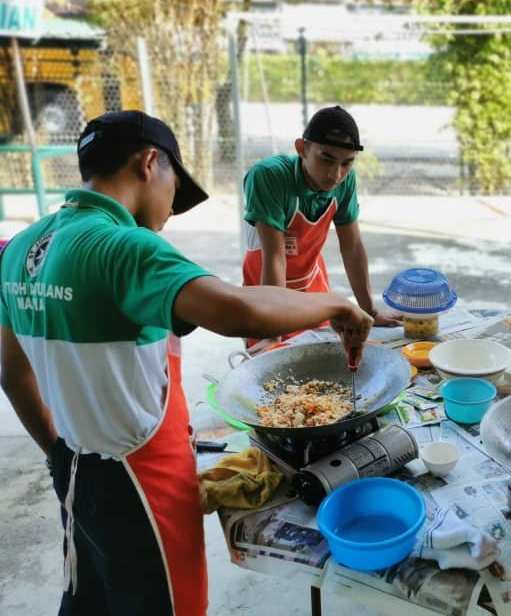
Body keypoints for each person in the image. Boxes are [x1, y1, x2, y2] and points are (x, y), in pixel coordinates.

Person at [0, 111, 373, 616]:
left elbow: (13, 371)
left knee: (92, 601)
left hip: (75, 469)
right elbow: (240, 309)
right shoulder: (126, 248)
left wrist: (60, 453)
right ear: (150, 163)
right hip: (144, 482)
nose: (172, 208)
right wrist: (338, 306)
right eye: (176, 187)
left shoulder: (22, 249)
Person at [243, 105, 399, 349]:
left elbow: (353, 247)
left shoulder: (345, 182)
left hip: (311, 280)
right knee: (273, 365)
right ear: (302, 149)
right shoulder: (268, 176)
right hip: (267, 286)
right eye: (326, 159)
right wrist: (272, 334)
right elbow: (275, 256)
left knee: (320, 356)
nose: (336, 175)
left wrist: (369, 310)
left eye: (347, 163)